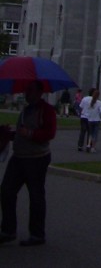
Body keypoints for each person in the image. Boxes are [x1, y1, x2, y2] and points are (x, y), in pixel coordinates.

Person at [0, 79, 57, 246]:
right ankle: (8, 230)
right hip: (19, 157)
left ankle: (37, 234)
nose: (27, 93)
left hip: (37, 158)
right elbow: (21, 133)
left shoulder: (46, 110)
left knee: (36, 196)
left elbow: (49, 133)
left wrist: (30, 134)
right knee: (6, 191)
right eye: (26, 90)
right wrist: (8, 133)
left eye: (30, 90)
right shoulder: (25, 110)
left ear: (39, 92)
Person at [79, 88, 101, 153]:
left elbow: (81, 107)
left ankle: (82, 145)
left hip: (87, 118)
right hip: (96, 120)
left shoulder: (86, 99)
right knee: (94, 134)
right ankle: (91, 146)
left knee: (85, 132)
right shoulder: (99, 102)